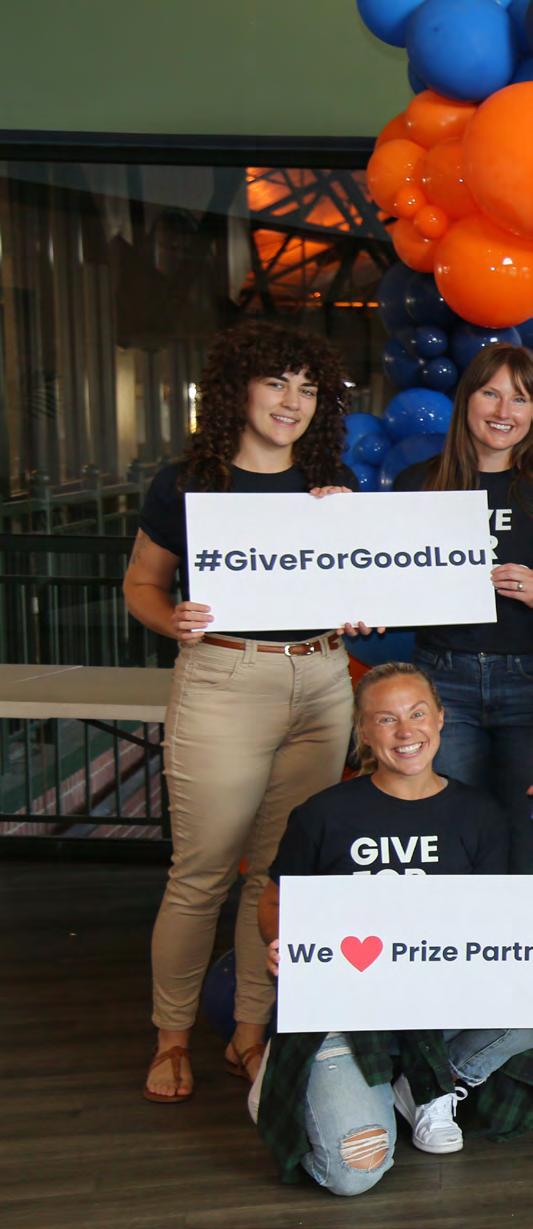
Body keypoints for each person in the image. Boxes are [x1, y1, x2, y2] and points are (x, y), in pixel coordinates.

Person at [123, 320, 371, 1103]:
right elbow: (141, 584)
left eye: (307, 388)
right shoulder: (188, 483)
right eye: (276, 382)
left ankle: (248, 1034)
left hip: (322, 678)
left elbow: (360, 590)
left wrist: (359, 598)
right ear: (238, 388)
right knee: (199, 874)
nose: (291, 401)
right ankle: (170, 1037)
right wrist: (174, 619)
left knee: (278, 875)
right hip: (224, 677)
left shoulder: (331, 485)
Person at [254, 662, 533, 1197]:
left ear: (441, 718)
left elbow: (495, 926)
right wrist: (280, 942)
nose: (406, 732)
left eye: (417, 714)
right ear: (363, 730)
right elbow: (274, 901)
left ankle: (433, 1083)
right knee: (352, 1174)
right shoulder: (323, 814)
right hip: (345, 1013)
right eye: (386, 719)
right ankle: (311, 1083)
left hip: (443, 1009)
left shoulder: (481, 815)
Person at [394, 344, 533, 872]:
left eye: (520, 399)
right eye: (490, 394)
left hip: (528, 682)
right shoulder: (417, 485)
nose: (504, 412)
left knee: (524, 834)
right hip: (442, 679)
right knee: (449, 832)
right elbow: (385, 577)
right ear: (466, 400)